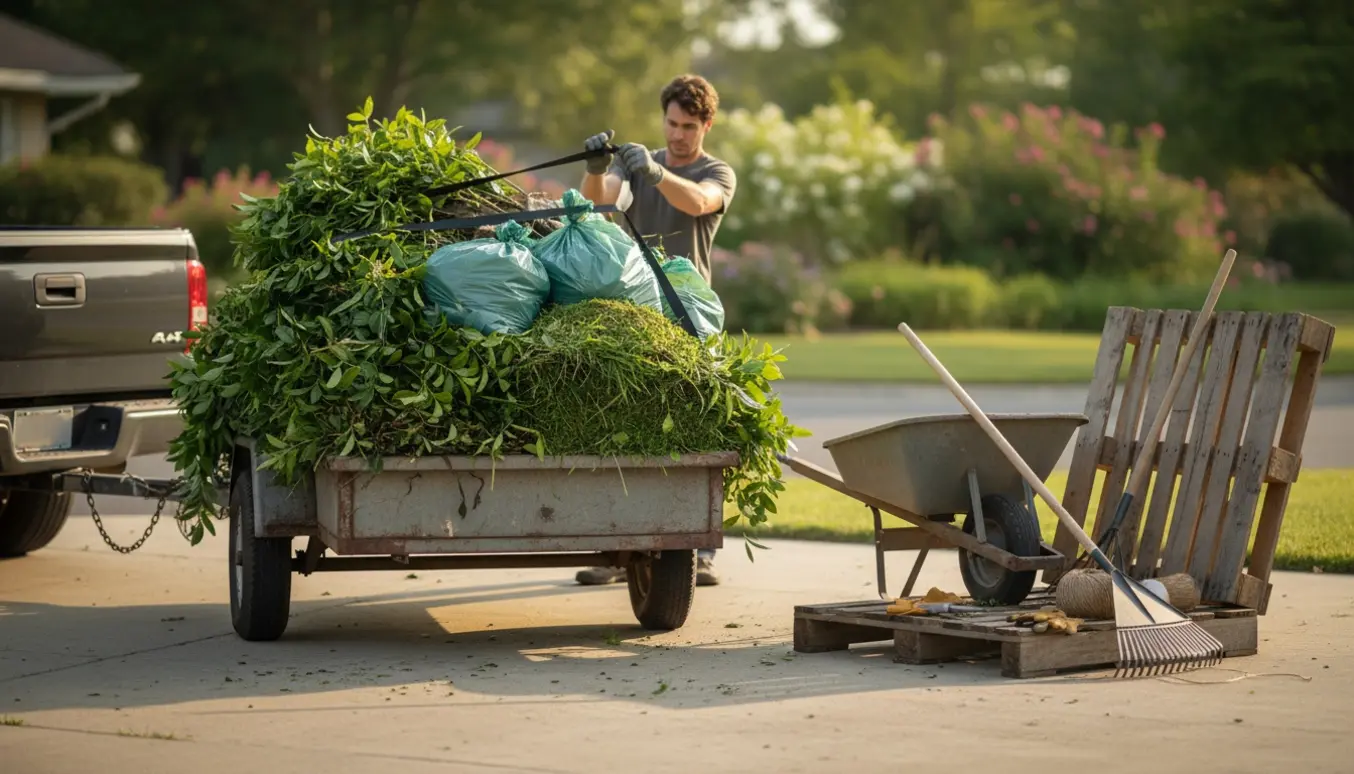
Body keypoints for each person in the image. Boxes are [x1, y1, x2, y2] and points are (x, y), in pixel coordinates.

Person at [572, 73, 738, 588]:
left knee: (697, 429)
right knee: (618, 420)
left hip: (691, 314)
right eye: (671, 123)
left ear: (707, 125)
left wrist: (658, 173)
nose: (677, 134)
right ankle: (617, 551)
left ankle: (698, 551)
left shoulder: (717, 171)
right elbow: (601, 200)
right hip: (639, 308)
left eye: (688, 126)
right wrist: (595, 168)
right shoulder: (635, 165)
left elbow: (699, 202)